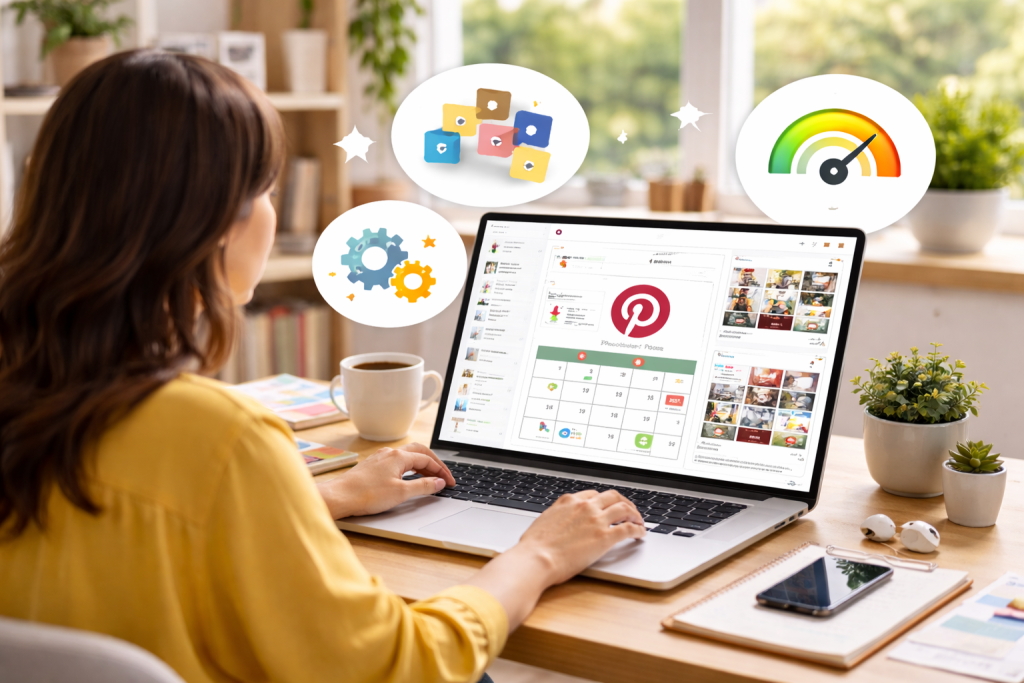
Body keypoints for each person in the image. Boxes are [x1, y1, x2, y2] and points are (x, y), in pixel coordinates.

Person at [0, 51, 646, 683]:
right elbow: (400, 667)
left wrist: (324, 494)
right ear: (223, 220)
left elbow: (120, 532)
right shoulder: (220, 438)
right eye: (267, 190)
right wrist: (539, 553)